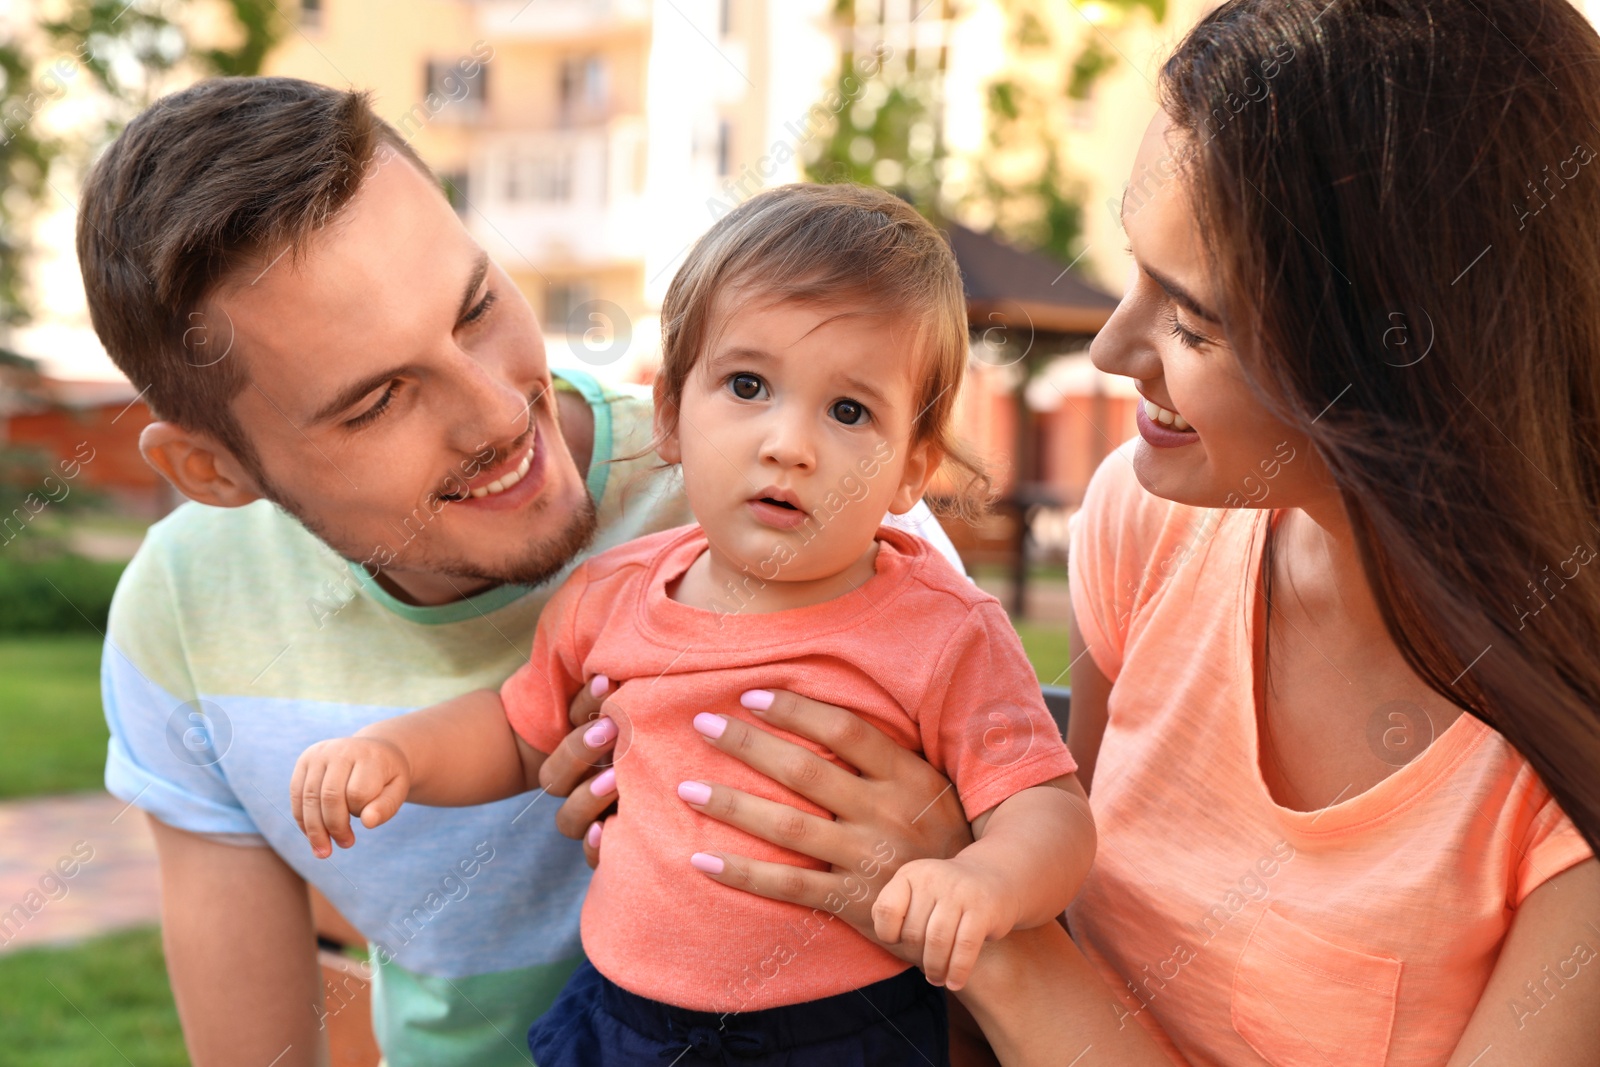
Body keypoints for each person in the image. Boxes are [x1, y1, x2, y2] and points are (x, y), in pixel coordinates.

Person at [536, 1, 1600, 1063]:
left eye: (1189, 320)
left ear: (1397, 352)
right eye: (1130, 270)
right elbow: (1057, 892)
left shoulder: (1563, 787)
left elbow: (1025, 932)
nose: (1109, 346)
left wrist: (963, 913)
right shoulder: (1148, 523)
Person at [81, 78, 971, 1067]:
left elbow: (993, 980)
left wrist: (947, 853)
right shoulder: (188, 613)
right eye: (377, 400)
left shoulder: (806, 506)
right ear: (213, 470)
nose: (498, 413)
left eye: (475, 308)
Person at [287, 183, 1093, 1067]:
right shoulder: (610, 597)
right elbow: (516, 733)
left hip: (841, 1030)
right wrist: (399, 755)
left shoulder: (942, 629)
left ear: (912, 467)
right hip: (626, 1020)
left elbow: (1049, 811)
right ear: (670, 414)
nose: (790, 443)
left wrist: (983, 879)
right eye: (747, 385)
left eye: (849, 410)